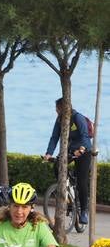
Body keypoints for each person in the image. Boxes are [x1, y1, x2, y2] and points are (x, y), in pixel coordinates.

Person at [43, 97, 96, 227]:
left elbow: (84, 135)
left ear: (64, 108)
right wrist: (49, 153)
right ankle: (65, 190)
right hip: (70, 149)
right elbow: (54, 137)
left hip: (84, 150)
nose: (56, 112)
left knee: (82, 181)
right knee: (57, 164)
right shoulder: (60, 119)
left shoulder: (78, 118)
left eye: (57, 109)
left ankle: (84, 211)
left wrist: (82, 149)